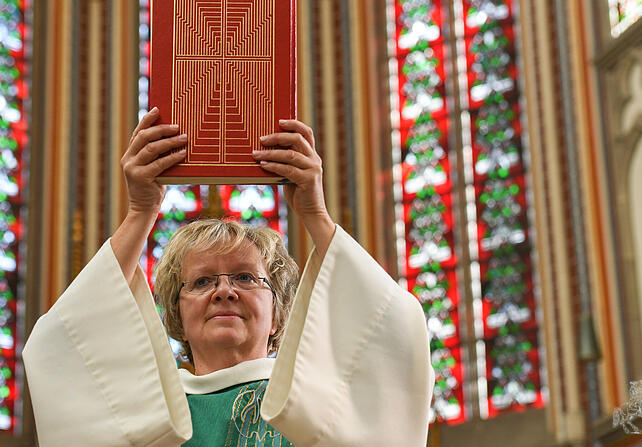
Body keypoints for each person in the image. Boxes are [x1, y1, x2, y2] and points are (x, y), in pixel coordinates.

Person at [23, 108, 434, 446]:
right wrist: (139, 212)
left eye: (245, 278)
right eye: (201, 282)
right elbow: (59, 347)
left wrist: (316, 215)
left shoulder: (316, 398)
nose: (224, 292)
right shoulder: (144, 412)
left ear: (278, 314)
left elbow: (394, 340)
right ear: (176, 316)